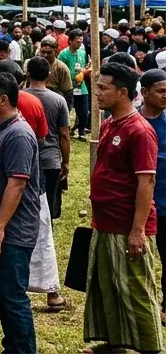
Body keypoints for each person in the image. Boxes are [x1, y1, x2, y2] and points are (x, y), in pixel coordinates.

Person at [82, 61, 163, 353]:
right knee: (107, 285)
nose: (97, 93)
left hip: (127, 224)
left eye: (103, 88)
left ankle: (150, 347)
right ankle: (115, 342)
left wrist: (138, 230)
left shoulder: (139, 131)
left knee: (137, 290)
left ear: (124, 92)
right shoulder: (108, 124)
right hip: (105, 222)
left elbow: (146, 183)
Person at [0, 71, 41, 353]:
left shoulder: (18, 134)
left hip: (12, 232)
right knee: (3, 295)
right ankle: (12, 346)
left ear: (4, 100)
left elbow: (17, 183)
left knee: (12, 296)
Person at [24, 56, 71, 224]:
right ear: (49, 75)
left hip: (24, 160)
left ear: (27, 74)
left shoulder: (18, 98)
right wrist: (65, 162)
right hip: (50, 159)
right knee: (48, 207)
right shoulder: (58, 100)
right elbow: (64, 135)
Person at [141, 68, 166, 325]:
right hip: (141, 204)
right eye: (160, 91)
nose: (165, 96)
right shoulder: (135, 122)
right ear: (144, 92)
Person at [58, 28, 91, 139]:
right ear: (70, 41)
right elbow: (60, 70)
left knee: (84, 111)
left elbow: (86, 66)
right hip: (68, 87)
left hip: (81, 87)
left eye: (81, 42)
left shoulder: (82, 52)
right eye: (77, 42)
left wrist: (85, 70)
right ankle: (65, 129)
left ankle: (81, 132)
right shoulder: (63, 54)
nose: (80, 44)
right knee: (66, 110)